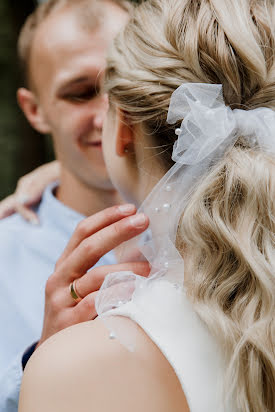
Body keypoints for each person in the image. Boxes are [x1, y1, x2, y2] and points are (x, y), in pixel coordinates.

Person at [19, 0, 275, 411]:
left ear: (122, 124)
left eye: (103, 97)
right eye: (78, 93)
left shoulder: (77, 365)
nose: (98, 120)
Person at [0, 0, 133, 410]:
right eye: (80, 94)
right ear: (35, 110)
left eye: (124, 85)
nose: (109, 115)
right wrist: (43, 360)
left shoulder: (221, 225)